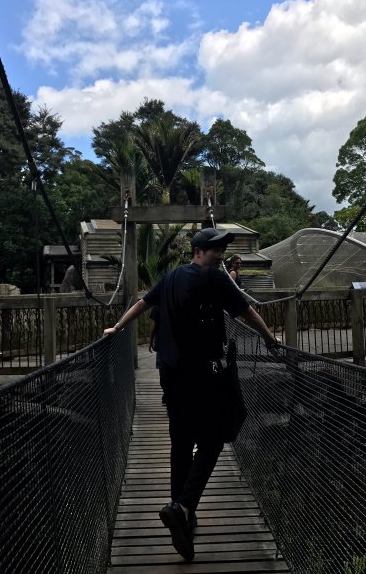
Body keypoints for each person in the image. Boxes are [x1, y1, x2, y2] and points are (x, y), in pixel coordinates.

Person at [104, 227, 278, 561]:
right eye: (215, 249)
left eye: (222, 249)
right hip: (203, 375)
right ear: (198, 251)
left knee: (182, 441)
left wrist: (118, 326)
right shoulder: (215, 278)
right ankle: (184, 506)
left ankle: (182, 514)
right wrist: (269, 338)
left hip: (170, 373)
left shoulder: (171, 277)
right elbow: (246, 311)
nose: (220, 254)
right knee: (214, 439)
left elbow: (143, 303)